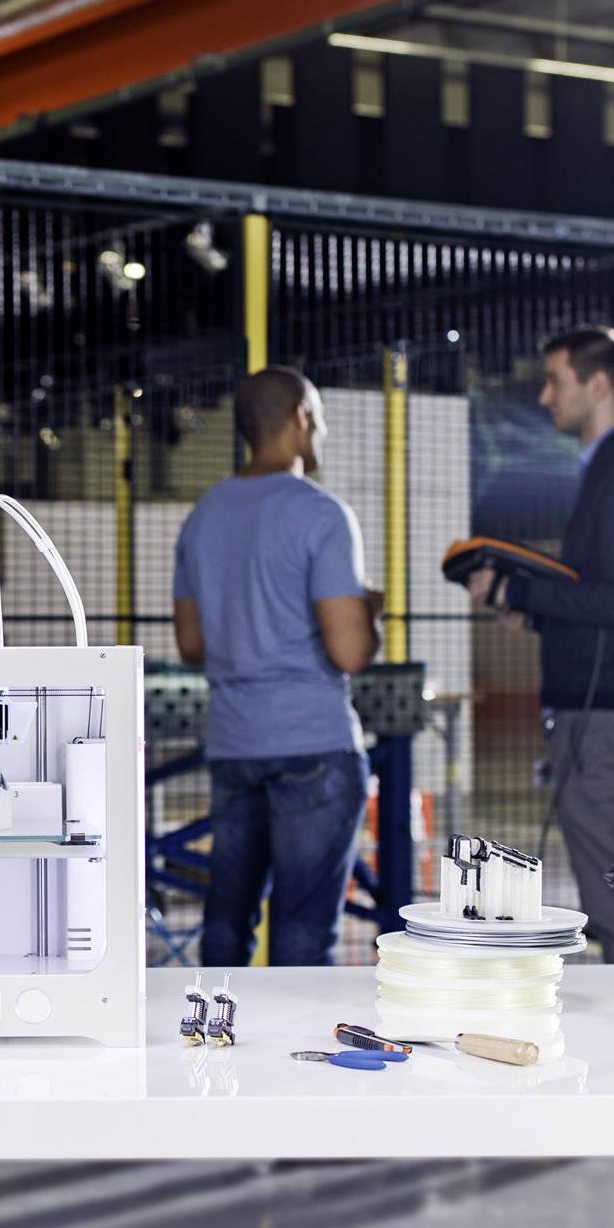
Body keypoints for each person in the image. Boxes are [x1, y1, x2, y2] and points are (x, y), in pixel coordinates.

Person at [466, 325, 614, 962]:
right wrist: (533, 615)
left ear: (599, 384)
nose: (543, 397)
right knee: (610, 897)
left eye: (555, 381)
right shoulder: (609, 470)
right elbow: (604, 597)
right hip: (595, 711)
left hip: (606, 718)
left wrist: (522, 589)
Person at [173, 366, 381, 968]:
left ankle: (213, 1045)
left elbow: (192, 643)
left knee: (226, 918)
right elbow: (348, 652)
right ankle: (295, 1059)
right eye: (319, 416)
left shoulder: (202, 517)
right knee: (302, 928)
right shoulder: (322, 514)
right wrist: (370, 614)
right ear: (300, 418)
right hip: (313, 744)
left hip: (234, 743)